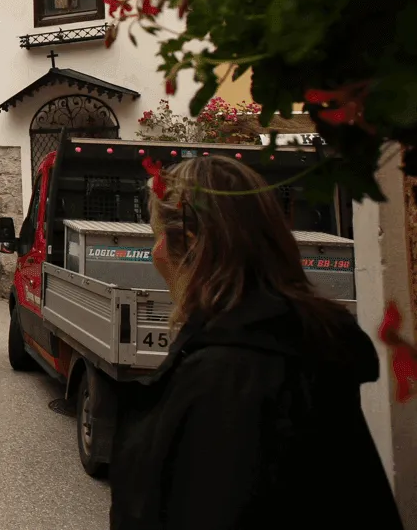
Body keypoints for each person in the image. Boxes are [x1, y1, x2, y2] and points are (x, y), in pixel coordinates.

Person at [110, 156, 401, 530]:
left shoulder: (227, 378)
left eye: (156, 237)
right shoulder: (297, 345)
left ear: (193, 245)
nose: (157, 253)